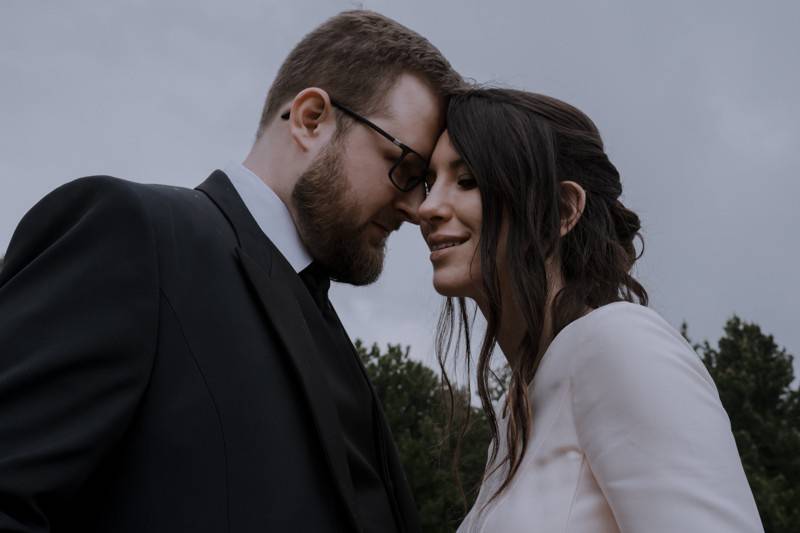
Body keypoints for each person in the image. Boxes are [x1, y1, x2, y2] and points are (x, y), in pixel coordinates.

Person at [0, 11, 462, 533]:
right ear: (311, 119)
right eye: (405, 168)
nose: (415, 206)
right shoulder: (137, 236)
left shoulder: (327, 325)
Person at [418, 88, 764, 532]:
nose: (427, 208)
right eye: (430, 182)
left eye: (467, 181)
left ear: (561, 210)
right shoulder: (517, 412)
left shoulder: (618, 343)